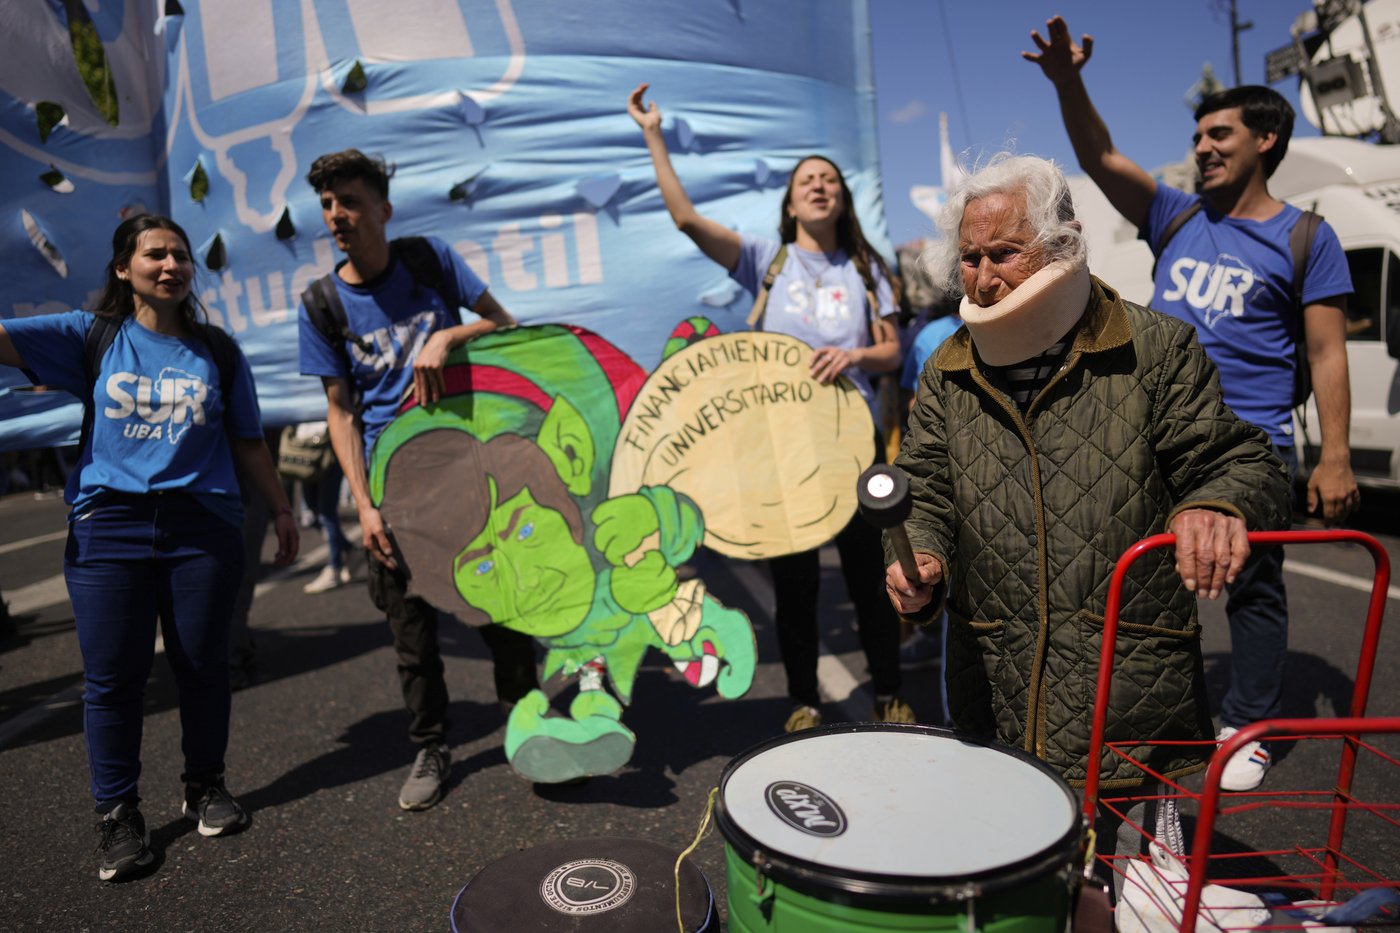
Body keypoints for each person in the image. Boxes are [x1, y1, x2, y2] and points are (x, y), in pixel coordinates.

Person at [884, 155, 1291, 878]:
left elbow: (1241, 459)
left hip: (1125, 675)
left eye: (1003, 252)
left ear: (1063, 243)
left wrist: (1216, 504)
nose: (981, 275)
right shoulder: (949, 367)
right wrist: (919, 551)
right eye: (971, 257)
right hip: (994, 672)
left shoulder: (1155, 347)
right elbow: (926, 489)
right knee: (1007, 869)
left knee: (1120, 885)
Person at [1025, 16, 1358, 791]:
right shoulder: (1175, 216)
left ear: (1265, 141)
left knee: (1251, 585)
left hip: (1249, 441)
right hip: (1148, 434)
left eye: (1220, 134)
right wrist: (1068, 81)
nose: (1203, 146)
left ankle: (1248, 723)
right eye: (1200, 136)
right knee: (1126, 578)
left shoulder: (1307, 237)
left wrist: (1336, 456)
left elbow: (1326, 351)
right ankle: (1132, 715)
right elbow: (1100, 158)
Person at [0, 214, 299, 882]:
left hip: (203, 528)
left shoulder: (218, 350)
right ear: (122, 268)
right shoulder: (91, 336)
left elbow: (248, 439)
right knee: (113, 677)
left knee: (203, 664)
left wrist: (280, 507)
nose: (170, 265)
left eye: (181, 256)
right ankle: (117, 814)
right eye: (155, 254)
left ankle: (205, 784)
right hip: (111, 528)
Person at [628, 84, 914, 732]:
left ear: (841, 198)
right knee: (797, 581)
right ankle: (803, 699)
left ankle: (889, 689)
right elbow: (685, 220)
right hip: (784, 450)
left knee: (871, 576)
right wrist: (653, 133)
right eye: (807, 180)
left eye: (830, 179)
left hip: (856, 444)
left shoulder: (870, 269)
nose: (820, 186)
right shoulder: (766, 260)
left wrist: (856, 359)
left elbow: (894, 352)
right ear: (790, 202)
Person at [297, 149, 539, 810]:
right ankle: (431, 745)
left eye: (348, 201)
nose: (336, 216)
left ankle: (525, 722)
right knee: (413, 634)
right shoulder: (321, 302)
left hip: (467, 472)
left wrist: (450, 337)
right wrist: (365, 507)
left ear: (383, 209)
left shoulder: (429, 260)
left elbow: (506, 325)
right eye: (326, 204)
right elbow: (341, 410)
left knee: (502, 610)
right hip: (393, 495)